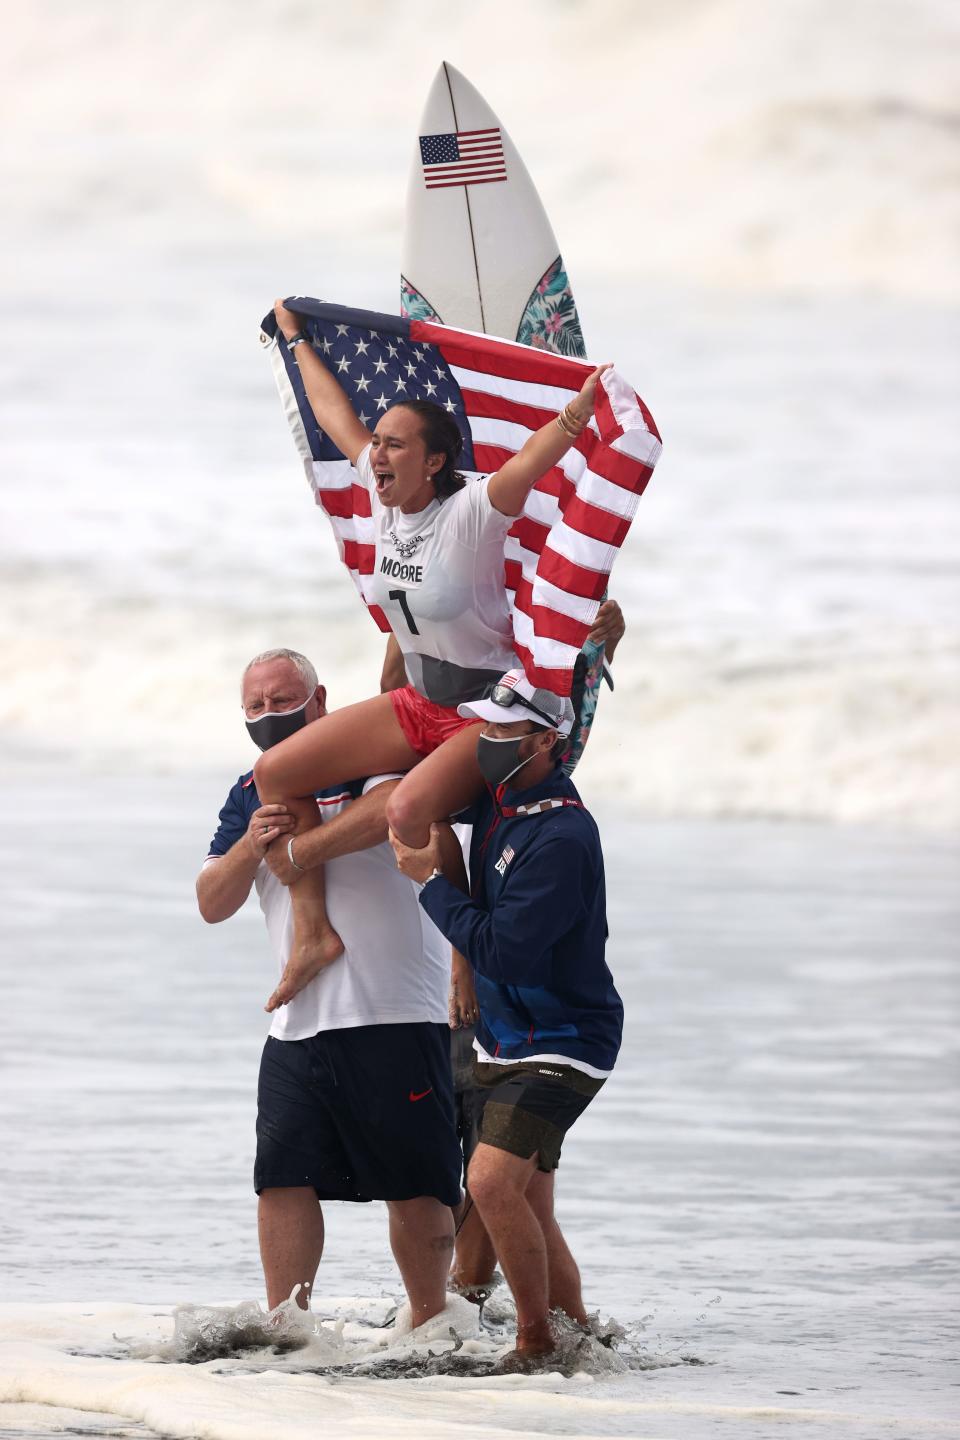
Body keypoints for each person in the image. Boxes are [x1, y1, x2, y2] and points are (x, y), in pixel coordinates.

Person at [252, 299, 611, 1010]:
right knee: (275, 770)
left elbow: (532, 462)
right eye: (378, 443)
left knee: (409, 810)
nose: (376, 453)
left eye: (394, 445)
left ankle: (461, 965)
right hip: (419, 703)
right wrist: (296, 340)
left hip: (487, 712)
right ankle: (312, 932)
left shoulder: (473, 511)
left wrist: (579, 412)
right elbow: (333, 417)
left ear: (435, 459)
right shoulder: (385, 501)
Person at [195, 648, 464, 1327]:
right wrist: (253, 846)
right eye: (255, 706)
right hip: (296, 1023)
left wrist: (304, 849)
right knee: (281, 1178)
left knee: (417, 1184)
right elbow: (210, 901)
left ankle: (431, 1328)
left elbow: (393, 808)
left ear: (319, 702)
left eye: (283, 700)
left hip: (396, 1010)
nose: (269, 715)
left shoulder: (367, 757)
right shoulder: (251, 791)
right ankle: (287, 1328)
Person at [390, 668, 623, 1371]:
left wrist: (429, 886)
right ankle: (581, 1334)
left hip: (567, 1042)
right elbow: (418, 787)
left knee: (490, 1184)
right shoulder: (502, 798)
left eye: (505, 731)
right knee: (532, 1203)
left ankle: (533, 1342)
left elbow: (506, 951)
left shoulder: (562, 838)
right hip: (503, 1036)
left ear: (548, 742)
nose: (488, 741)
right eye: (484, 728)